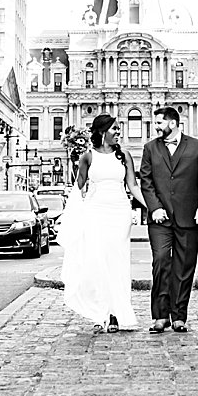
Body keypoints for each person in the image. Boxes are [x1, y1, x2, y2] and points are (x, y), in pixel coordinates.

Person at [60, 114, 146, 333]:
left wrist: (151, 206)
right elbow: (78, 187)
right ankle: (101, 313)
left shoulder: (124, 155)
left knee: (117, 263)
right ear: (102, 131)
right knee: (97, 263)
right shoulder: (87, 157)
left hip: (119, 213)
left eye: (119, 129)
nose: (119, 132)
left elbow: (133, 187)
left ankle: (117, 314)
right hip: (95, 212)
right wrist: (74, 216)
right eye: (115, 129)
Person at [139, 106, 198, 333]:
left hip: (188, 217)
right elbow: (146, 180)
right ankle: (160, 316)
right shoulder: (150, 148)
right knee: (161, 262)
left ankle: (179, 316)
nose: (156, 126)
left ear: (172, 123)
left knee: (184, 268)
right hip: (160, 219)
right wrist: (154, 207)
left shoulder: (196, 146)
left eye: (160, 122)